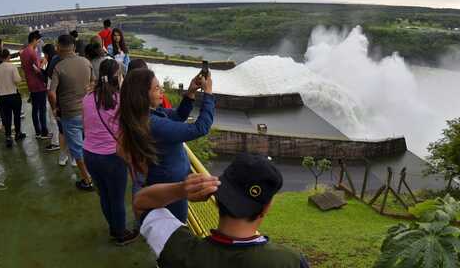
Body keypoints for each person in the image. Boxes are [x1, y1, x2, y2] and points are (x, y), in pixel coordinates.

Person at [134, 154, 310, 268]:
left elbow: (141, 203)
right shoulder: (290, 262)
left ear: (216, 196)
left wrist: (182, 189)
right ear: (265, 208)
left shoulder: (179, 249)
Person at [119, 68, 215, 222]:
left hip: (166, 181)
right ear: (143, 95)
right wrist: (208, 94)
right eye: (157, 88)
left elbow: (178, 116)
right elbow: (200, 128)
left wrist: (191, 92)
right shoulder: (153, 124)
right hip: (170, 187)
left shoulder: (145, 114)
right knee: (175, 228)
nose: (161, 91)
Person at [83, 59, 139, 245]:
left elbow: (86, 125)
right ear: (118, 77)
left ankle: (113, 228)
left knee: (105, 195)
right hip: (112, 157)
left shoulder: (87, 99)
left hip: (89, 155)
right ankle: (121, 233)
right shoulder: (120, 100)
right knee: (116, 198)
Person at [48, 34, 95, 191]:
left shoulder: (59, 67)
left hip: (70, 113)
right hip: (88, 112)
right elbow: (94, 82)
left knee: (77, 148)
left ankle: (87, 180)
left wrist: (55, 109)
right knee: (89, 143)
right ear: (74, 47)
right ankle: (94, 173)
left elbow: (51, 93)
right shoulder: (86, 62)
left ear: (59, 48)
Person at [20, 31, 51, 140]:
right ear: (34, 39)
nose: (39, 43)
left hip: (30, 84)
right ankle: (44, 132)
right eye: (38, 40)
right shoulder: (32, 52)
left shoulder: (23, 53)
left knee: (35, 109)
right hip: (38, 85)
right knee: (42, 109)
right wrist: (44, 62)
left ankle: (38, 131)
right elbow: (38, 70)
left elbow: (28, 67)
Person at [0, 49, 26, 148]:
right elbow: (17, 80)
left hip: (2, 96)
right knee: (16, 115)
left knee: (7, 117)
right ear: (8, 56)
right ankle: (17, 133)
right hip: (13, 94)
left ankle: (8, 137)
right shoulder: (12, 67)